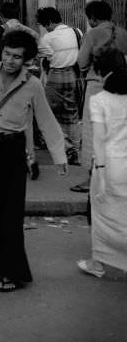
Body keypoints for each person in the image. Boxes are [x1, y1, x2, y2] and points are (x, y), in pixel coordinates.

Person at [0, 30, 68, 293]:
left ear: (26, 59)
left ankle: (12, 272)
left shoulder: (32, 85)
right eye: (7, 54)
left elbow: (46, 120)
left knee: (11, 214)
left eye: (17, 57)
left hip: (13, 151)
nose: (10, 60)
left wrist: (59, 154)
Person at [77, 48, 127, 277]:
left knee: (104, 218)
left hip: (109, 165)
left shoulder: (99, 100)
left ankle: (98, 264)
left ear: (100, 72)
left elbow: (99, 140)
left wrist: (101, 173)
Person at [72, 0, 127, 193]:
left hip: (97, 84)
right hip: (121, 87)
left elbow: (82, 60)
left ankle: (92, 178)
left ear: (92, 18)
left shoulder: (93, 33)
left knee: (92, 131)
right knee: (117, 130)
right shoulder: (122, 33)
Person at [37, 7, 84, 166]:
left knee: (49, 114)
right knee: (72, 113)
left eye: (45, 25)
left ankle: (67, 147)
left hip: (56, 76)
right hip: (73, 76)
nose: (46, 28)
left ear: (49, 22)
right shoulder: (77, 32)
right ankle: (76, 150)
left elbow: (44, 57)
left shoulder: (48, 38)